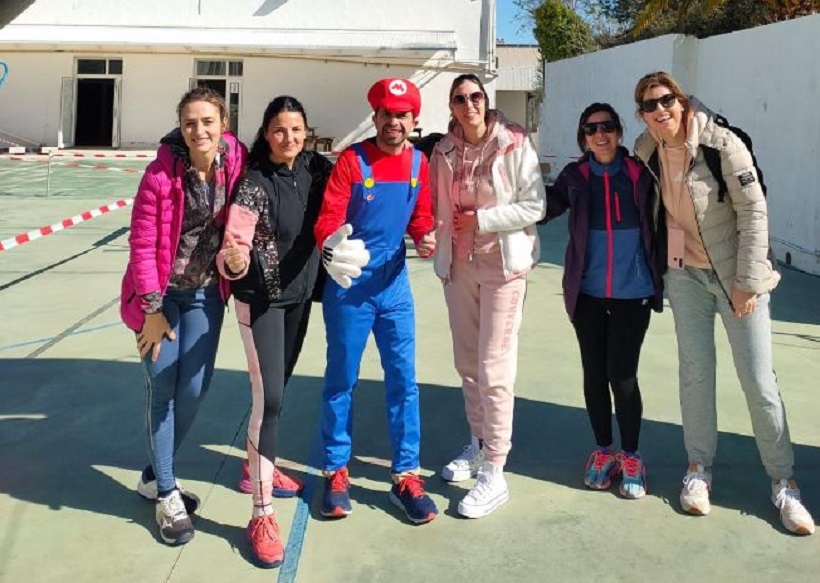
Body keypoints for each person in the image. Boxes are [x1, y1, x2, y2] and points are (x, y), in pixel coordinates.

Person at [633, 71, 814, 534]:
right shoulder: (647, 149)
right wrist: (670, 270)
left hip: (736, 278)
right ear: (643, 114)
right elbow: (662, 211)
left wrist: (747, 282)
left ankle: (783, 481)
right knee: (695, 374)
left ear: (681, 100)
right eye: (650, 105)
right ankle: (698, 469)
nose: (660, 111)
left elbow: (755, 211)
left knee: (758, 380)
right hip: (685, 276)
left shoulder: (721, 143)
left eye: (666, 100)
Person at [119, 86, 247, 545]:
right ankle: (167, 493)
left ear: (223, 126)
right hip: (163, 296)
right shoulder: (159, 175)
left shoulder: (235, 159)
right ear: (181, 126)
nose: (199, 131)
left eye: (208, 122)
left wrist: (239, 258)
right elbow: (142, 243)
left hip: (207, 293)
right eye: (191, 123)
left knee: (196, 388)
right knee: (165, 387)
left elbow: (246, 217)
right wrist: (151, 310)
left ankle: (155, 474)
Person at [314, 77, 438, 525]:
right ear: (376, 117)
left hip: (394, 287)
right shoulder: (352, 161)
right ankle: (335, 470)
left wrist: (424, 237)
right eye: (386, 114)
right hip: (349, 287)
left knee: (404, 381)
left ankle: (406, 474)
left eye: (402, 115)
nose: (394, 123)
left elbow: (420, 217)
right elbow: (328, 217)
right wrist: (330, 245)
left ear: (412, 120)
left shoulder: (419, 164)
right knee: (341, 379)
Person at [217, 96, 333, 567]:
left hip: (300, 297)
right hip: (260, 301)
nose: (290, 138)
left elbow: (353, 184)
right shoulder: (253, 183)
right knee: (271, 402)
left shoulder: (314, 169)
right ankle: (261, 513)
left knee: (277, 390)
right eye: (280, 130)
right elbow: (234, 242)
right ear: (266, 133)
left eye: (297, 129)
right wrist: (235, 258)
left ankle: (256, 470)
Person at [429, 73, 545, 518]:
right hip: (459, 267)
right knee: (467, 363)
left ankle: (495, 469)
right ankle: (477, 444)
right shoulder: (443, 150)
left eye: (476, 96)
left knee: (494, 366)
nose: (469, 104)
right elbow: (440, 208)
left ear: (486, 99)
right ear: (452, 106)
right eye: (460, 99)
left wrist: (485, 219)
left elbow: (536, 205)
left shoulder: (514, 141)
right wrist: (433, 243)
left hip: (504, 267)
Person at [542, 103, 663, 500]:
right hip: (587, 294)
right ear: (583, 137)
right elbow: (545, 205)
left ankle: (631, 455)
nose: (600, 134)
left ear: (619, 131)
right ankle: (603, 450)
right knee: (594, 372)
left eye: (608, 126)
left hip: (634, 293)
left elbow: (671, 210)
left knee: (622, 376)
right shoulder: (574, 177)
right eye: (591, 128)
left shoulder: (640, 172)